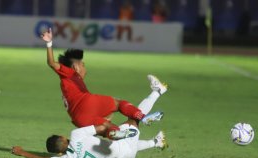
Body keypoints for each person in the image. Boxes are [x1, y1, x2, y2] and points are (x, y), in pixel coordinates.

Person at [40, 28, 168, 139]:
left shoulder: (72, 82)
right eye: (83, 65)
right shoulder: (70, 73)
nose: (85, 68)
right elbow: (51, 63)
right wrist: (49, 43)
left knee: (108, 128)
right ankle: (142, 117)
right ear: (75, 66)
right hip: (85, 103)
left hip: (79, 119)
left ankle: (116, 133)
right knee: (118, 103)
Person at [12, 118, 167, 158]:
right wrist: (108, 127)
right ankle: (157, 92)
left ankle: (156, 142)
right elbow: (100, 128)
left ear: (59, 152)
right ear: (62, 137)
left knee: (127, 146)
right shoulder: (76, 134)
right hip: (119, 146)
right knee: (133, 119)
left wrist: (22, 152)